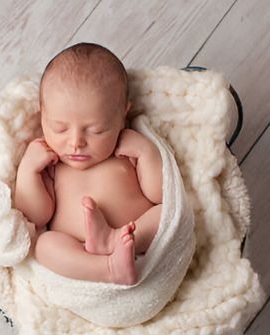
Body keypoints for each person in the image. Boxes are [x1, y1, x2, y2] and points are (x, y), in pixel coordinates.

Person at [13, 43, 162, 285]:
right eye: (59, 128)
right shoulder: (52, 162)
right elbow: (35, 216)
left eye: (97, 130)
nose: (75, 143)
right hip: (80, 255)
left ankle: (114, 243)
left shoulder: (128, 149)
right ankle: (109, 268)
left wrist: (147, 154)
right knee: (45, 246)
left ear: (122, 115)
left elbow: (161, 195)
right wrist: (28, 171)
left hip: (137, 242)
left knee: (166, 213)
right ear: (42, 114)